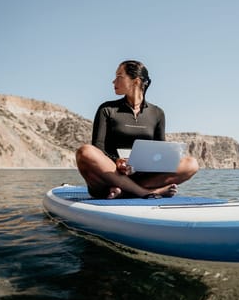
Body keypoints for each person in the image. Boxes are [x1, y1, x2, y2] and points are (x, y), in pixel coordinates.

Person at [76, 60, 199, 199]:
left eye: (119, 77)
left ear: (135, 81)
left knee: (191, 164)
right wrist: (118, 161)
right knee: (85, 151)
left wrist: (141, 165)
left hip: (141, 176)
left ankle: (126, 191)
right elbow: (98, 149)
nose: (113, 81)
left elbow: (159, 153)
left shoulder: (157, 113)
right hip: (110, 176)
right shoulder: (107, 109)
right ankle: (145, 192)